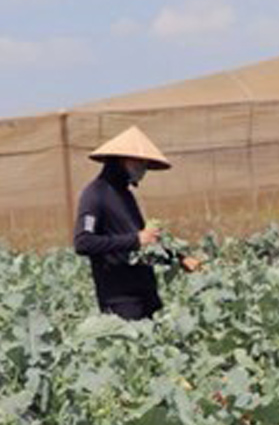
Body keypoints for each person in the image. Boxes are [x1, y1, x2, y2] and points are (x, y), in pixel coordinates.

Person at [73, 125, 199, 320]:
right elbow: (83, 242)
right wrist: (134, 239)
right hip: (120, 302)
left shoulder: (125, 196)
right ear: (121, 159)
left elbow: (145, 244)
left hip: (146, 296)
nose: (143, 169)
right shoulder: (95, 193)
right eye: (140, 162)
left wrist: (180, 259)